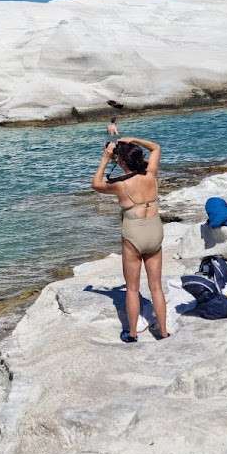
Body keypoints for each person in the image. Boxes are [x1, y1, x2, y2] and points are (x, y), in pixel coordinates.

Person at [92, 136, 169, 343]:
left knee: (132, 289)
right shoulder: (151, 174)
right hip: (155, 231)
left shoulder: (120, 185)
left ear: (122, 162)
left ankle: (133, 333)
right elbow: (156, 147)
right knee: (156, 287)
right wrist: (134, 139)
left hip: (134, 234)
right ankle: (163, 332)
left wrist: (106, 157)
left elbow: (96, 184)